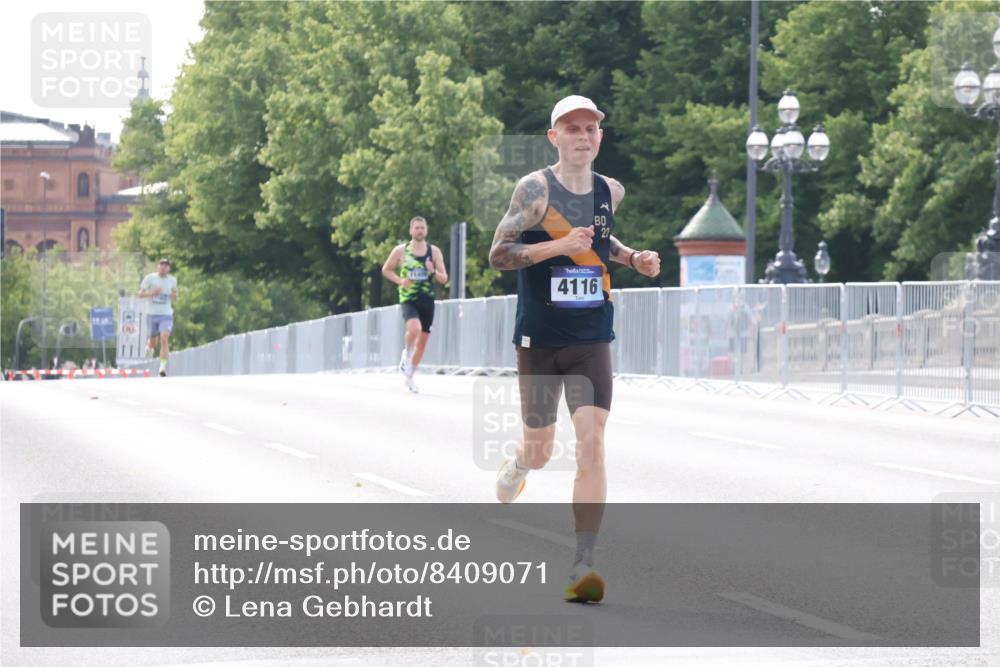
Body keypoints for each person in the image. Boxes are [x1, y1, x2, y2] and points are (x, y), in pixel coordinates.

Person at [488, 95, 660, 603]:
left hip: (591, 336)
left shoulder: (611, 190)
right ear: (554, 137)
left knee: (592, 444)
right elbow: (499, 253)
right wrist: (556, 247)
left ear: (600, 137)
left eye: (591, 129)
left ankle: (583, 563)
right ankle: (521, 462)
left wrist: (633, 258)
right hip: (540, 339)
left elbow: (600, 241)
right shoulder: (535, 189)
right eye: (572, 129)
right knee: (541, 450)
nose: (583, 137)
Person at [381, 216, 448, 393]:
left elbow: (444, 278)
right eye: (416, 228)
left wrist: (433, 271)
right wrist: (400, 281)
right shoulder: (401, 251)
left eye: (422, 228)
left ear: (426, 231)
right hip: (408, 298)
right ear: (411, 230)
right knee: (414, 328)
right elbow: (386, 269)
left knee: (423, 342)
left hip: (427, 300)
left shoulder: (434, 252)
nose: (419, 231)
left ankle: (409, 377)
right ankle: (406, 352)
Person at [138, 258, 178, 377]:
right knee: (153, 343)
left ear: (169, 268)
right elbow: (140, 294)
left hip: (166, 314)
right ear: (158, 266)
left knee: (164, 338)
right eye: (162, 265)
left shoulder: (172, 280)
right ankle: (149, 347)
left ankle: (162, 367)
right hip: (151, 314)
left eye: (166, 265)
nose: (164, 267)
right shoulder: (150, 278)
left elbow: (175, 297)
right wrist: (152, 293)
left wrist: (173, 295)